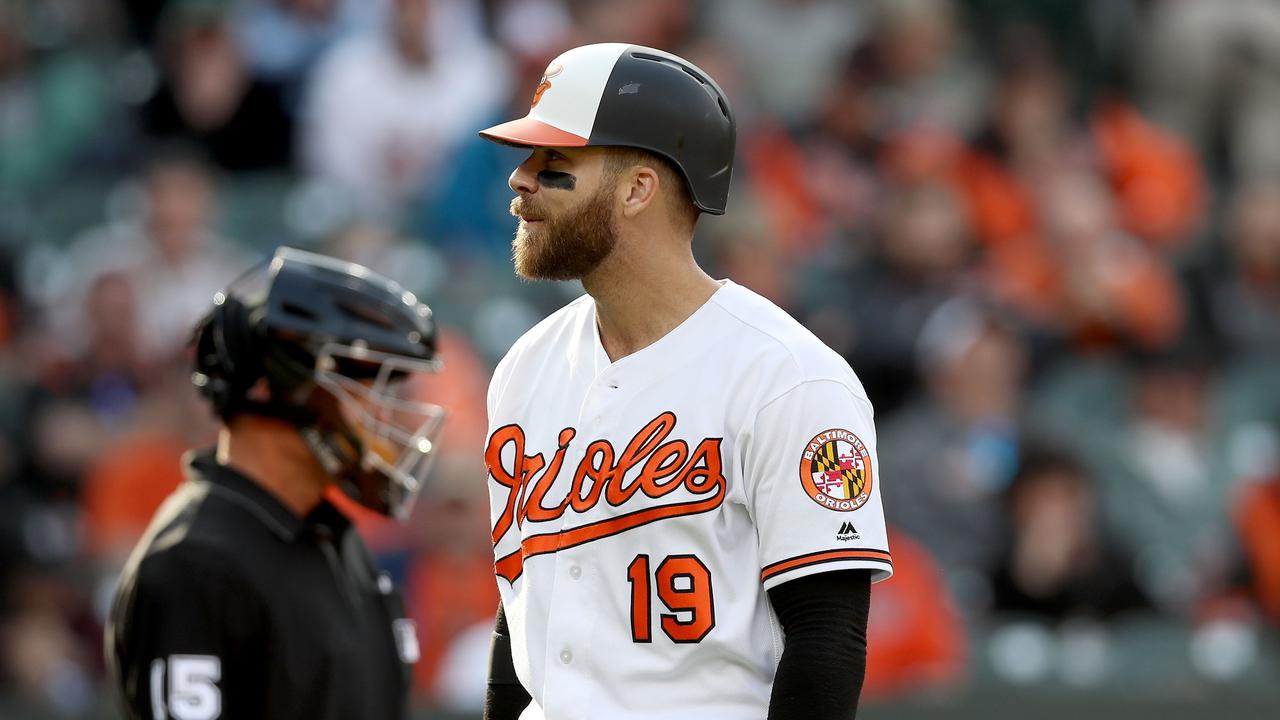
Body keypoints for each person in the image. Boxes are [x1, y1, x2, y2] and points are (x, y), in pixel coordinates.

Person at [477, 44, 892, 720]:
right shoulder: (526, 366)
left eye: (554, 164)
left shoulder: (788, 377)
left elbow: (827, 641)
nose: (520, 180)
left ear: (638, 188)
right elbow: (520, 609)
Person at [105, 247, 448, 719]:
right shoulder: (193, 566)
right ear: (275, 387)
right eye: (365, 384)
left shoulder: (338, 543)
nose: (383, 415)